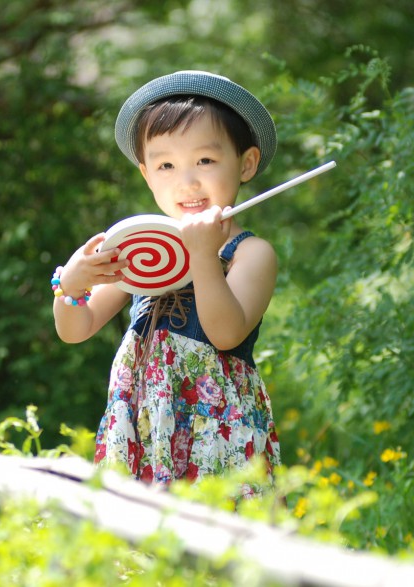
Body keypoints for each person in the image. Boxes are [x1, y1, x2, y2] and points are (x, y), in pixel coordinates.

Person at [52, 71, 280, 488]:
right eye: (167, 165)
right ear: (146, 174)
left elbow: (226, 333)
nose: (187, 181)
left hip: (216, 429)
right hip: (144, 422)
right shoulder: (142, 248)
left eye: (206, 161)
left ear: (245, 164)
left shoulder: (249, 253)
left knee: (217, 537)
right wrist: (71, 286)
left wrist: (202, 255)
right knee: (139, 541)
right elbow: (77, 329)